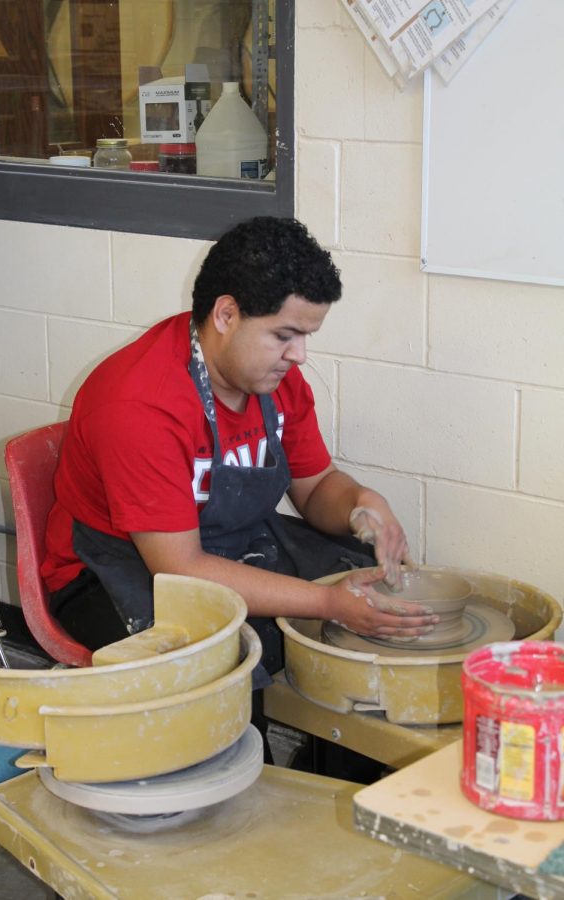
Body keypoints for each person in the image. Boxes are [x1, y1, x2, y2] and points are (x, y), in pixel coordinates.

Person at [42, 217, 438, 755]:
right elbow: (182, 569)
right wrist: (326, 603)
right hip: (114, 569)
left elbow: (316, 485)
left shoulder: (274, 379)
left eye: (306, 336)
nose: (300, 356)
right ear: (226, 314)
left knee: (366, 596)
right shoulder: (140, 404)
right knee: (224, 669)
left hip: (228, 541)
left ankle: (334, 783)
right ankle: (247, 798)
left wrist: (361, 505)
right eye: (285, 335)